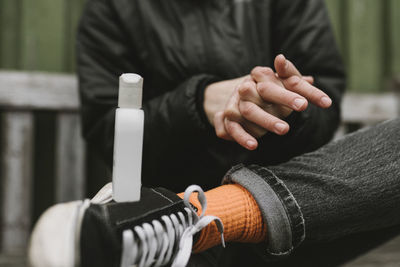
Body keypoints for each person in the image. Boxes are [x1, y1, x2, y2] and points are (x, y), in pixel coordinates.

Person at [28, 0, 400, 266]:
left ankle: (192, 222)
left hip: (292, 233)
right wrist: (199, 103)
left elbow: (322, 106)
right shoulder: (113, 10)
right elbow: (108, 134)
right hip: (153, 240)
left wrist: (284, 106)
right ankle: (179, 224)